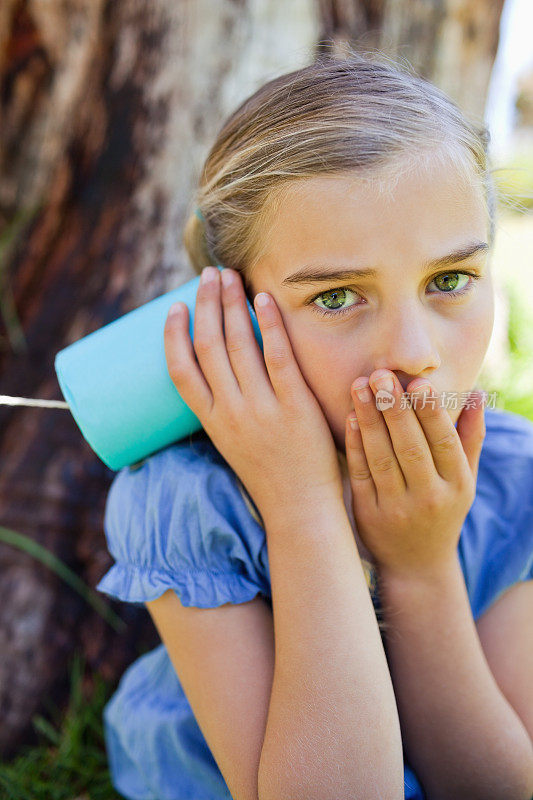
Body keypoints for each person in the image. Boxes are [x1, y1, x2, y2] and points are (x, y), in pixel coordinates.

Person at [95, 51, 533, 800]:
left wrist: (421, 566)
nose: (413, 355)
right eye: (336, 298)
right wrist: (302, 507)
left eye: (449, 281)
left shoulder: (503, 475)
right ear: (230, 316)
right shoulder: (190, 502)